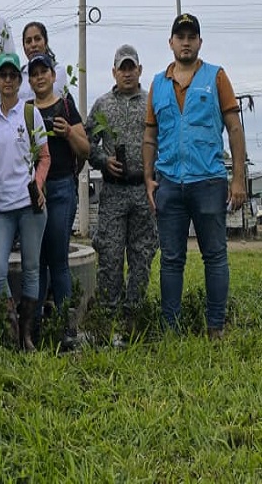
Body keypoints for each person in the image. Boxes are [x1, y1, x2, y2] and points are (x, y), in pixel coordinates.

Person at [143, 13, 245, 338]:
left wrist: (239, 178)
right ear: (171, 42)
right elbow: (149, 135)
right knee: (171, 259)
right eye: (180, 36)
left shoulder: (216, 77)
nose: (185, 42)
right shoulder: (158, 83)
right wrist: (148, 177)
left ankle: (215, 327)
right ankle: (170, 330)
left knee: (214, 256)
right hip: (169, 184)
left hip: (209, 181)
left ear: (199, 42)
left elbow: (234, 128)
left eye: (191, 36)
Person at [0, 53, 49, 351]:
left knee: (32, 267)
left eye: (13, 76)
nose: (8, 81)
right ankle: (9, 329)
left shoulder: (30, 113)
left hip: (29, 203)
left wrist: (38, 184)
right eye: (3, 76)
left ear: (19, 81)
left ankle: (27, 335)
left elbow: (45, 156)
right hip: (2, 205)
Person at [87, 45, 157, 329]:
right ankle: (106, 318)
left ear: (139, 70)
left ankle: (133, 318)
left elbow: (161, 137)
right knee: (110, 255)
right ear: (114, 72)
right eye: (122, 68)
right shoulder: (103, 104)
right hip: (114, 191)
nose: (127, 73)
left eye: (132, 68)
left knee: (142, 254)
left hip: (143, 190)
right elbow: (86, 140)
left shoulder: (151, 101)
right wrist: (103, 160)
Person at [27, 52, 88, 345]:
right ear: (29, 80)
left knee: (58, 259)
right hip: (34, 192)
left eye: (44, 72)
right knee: (36, 260)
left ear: (53, 75)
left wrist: (67, 134)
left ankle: (66, 330)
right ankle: (36, 328)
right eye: (34, 73)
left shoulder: (65, 106)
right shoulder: (26, 111)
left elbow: (85, 149)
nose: (39, 77)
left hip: (62, 187)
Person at [19, 22, 69, 102]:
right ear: (24, 48)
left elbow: (48, 98)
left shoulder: (57, 71)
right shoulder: (19, 74)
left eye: (37, 39)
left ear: (45, 42)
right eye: (28, 41)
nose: (33, 45)